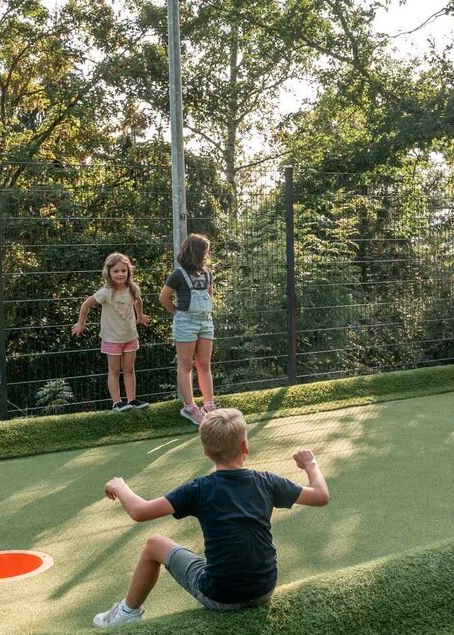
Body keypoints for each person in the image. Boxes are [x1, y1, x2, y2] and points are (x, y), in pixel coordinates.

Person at [92, 408, 330, 627]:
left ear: (206, 451)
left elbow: (140, 511)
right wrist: (311, 464)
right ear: (245, 447)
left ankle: (127, 612)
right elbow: (320, 495)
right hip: (264, 588)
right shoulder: (267, 481)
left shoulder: (200, 488)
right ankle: (127, 611)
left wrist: (120, 485)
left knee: (154, 544)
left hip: (219, 596)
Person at [72, 252, 150, 411]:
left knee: (129, 369)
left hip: (130, 336)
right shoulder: (105, 292)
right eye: (116, 271)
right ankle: (117, 402)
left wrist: (140, 315)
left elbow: (138, 300)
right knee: (114, 370)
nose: (120, 274)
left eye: (123, 270)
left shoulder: (132, 288)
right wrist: (81, 323)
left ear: (128, 272)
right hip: (112, 338)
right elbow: (86, 305)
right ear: (108, 273)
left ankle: (132, 400)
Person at [161, 234, 216, 425]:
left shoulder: (207, 273)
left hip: (205, 322)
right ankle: (190, 407)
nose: (206, 255)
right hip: (185, 322)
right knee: (186, 364)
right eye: (204, 252)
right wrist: (177, 313)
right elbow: (164, 298)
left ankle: (209, 406)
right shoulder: (178, 274)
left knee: (204, 364)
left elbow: (209, 294)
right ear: (196, 252)